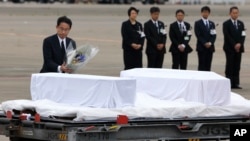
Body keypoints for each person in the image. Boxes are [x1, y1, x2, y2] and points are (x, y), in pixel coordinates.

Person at [223, 6, 245, 89]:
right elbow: (227, 36)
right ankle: (229, 83)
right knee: (230, 65)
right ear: (230, 13)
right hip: (229, 48)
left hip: (239, 48)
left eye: (237, 13)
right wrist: (234, 45)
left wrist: (240, 44)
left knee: (237, 65)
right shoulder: (226, 24)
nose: (235, 15)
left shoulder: (241, 23)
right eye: (234, 13)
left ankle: (236, 83)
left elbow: (243, 35)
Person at [194, 6, 217, 71]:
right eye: (204, 12)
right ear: (201, 13)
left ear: (209, 13)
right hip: (201, 47)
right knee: (201, 65)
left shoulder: (212, 23)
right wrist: (204, 43)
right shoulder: (197, 23)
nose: (205, 14)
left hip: (210, 48)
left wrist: (210, 43)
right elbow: (198, 35)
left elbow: (214, 35)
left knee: (208, 65)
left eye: (207, 12)